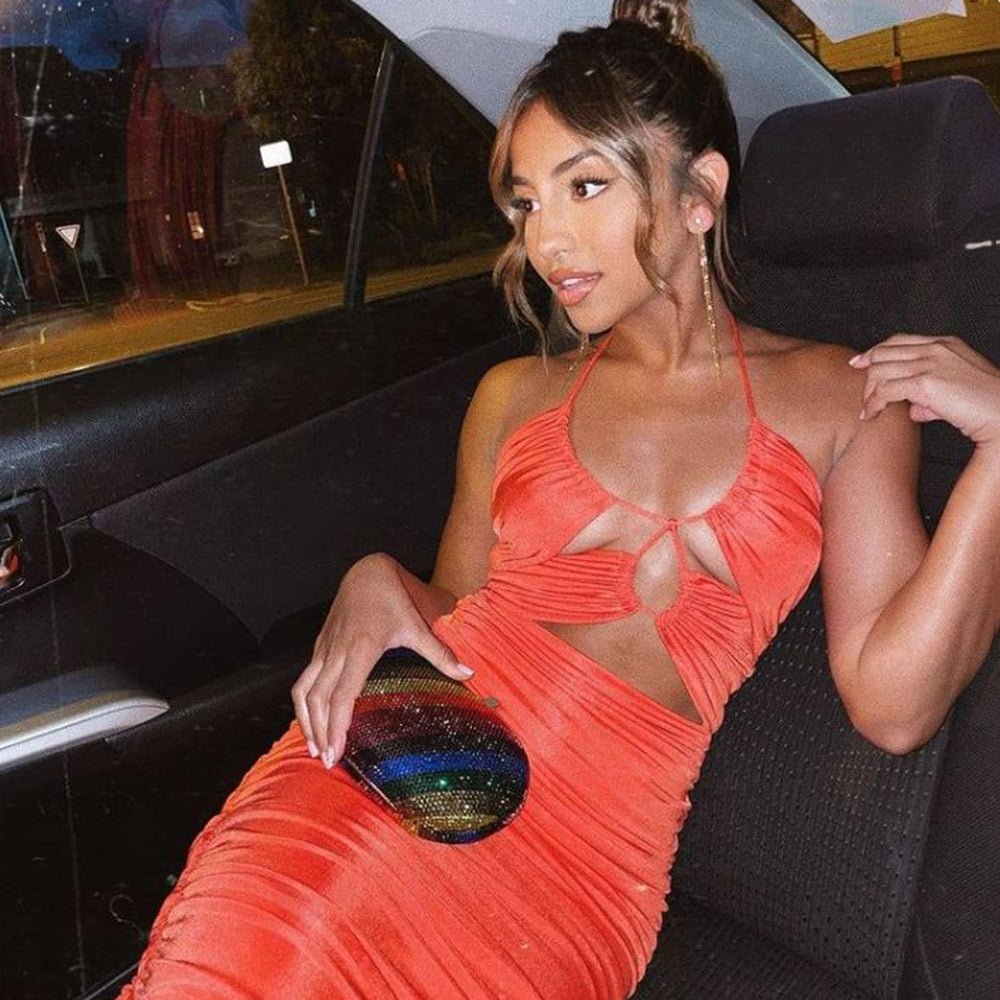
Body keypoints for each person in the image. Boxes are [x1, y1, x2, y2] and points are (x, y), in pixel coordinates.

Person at [118, 1, 1000, 997]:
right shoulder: (514, 395)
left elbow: (892, 706)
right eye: (528, 203)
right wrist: (373, 578)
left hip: (583, 870)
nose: (548, 240)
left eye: (585, 186)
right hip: (391, 781)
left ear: (701, 192)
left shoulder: (843, 396)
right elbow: (454, 614)